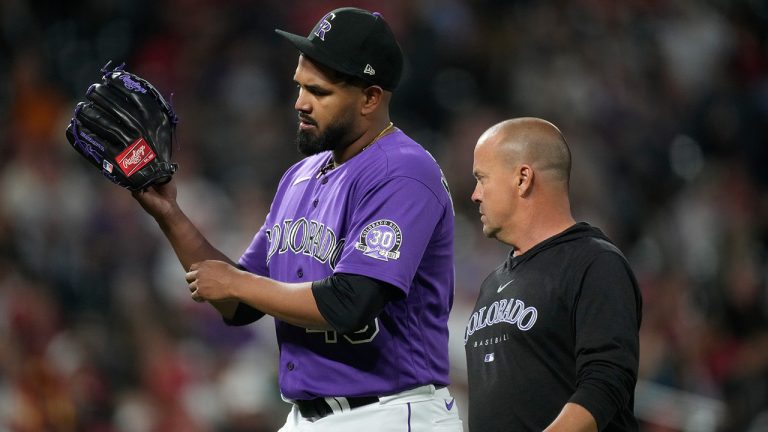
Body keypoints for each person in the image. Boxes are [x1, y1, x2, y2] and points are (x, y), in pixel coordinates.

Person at [132, 6, 462, 432]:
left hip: (391, 412)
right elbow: (239, 305)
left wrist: (237, 283)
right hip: (306, 417)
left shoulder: (402, 171)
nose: (300, 103)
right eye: (300, 86)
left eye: (319, 92)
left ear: (370, 98)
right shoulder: (301, 175)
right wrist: (170, 215)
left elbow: (351, 303)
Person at [464, 117, 642, 431]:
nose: (475, 194)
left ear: (522, 179)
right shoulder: (492, 284)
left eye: (482, 178)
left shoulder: (595, 263)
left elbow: (606, 381)